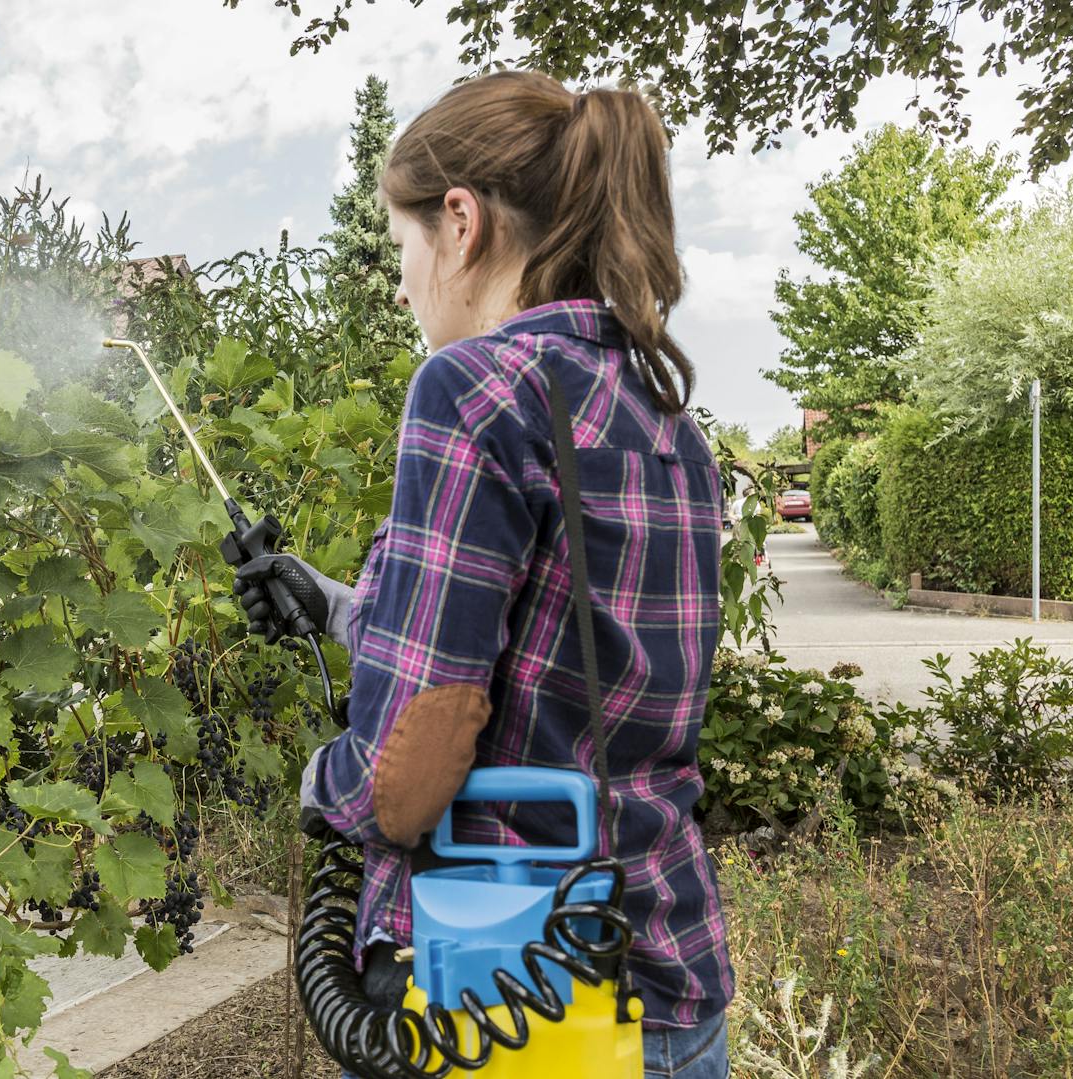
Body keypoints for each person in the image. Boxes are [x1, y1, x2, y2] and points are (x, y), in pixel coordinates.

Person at [235, 70, 732, 1078]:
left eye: (400, 248)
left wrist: (319, 783)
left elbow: (404, 777)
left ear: (460, 222)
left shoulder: (471, 388)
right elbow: (541, 654)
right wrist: (330, 602)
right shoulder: (665, 419)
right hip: (664, 979)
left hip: (510, 1000)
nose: (403, 281)